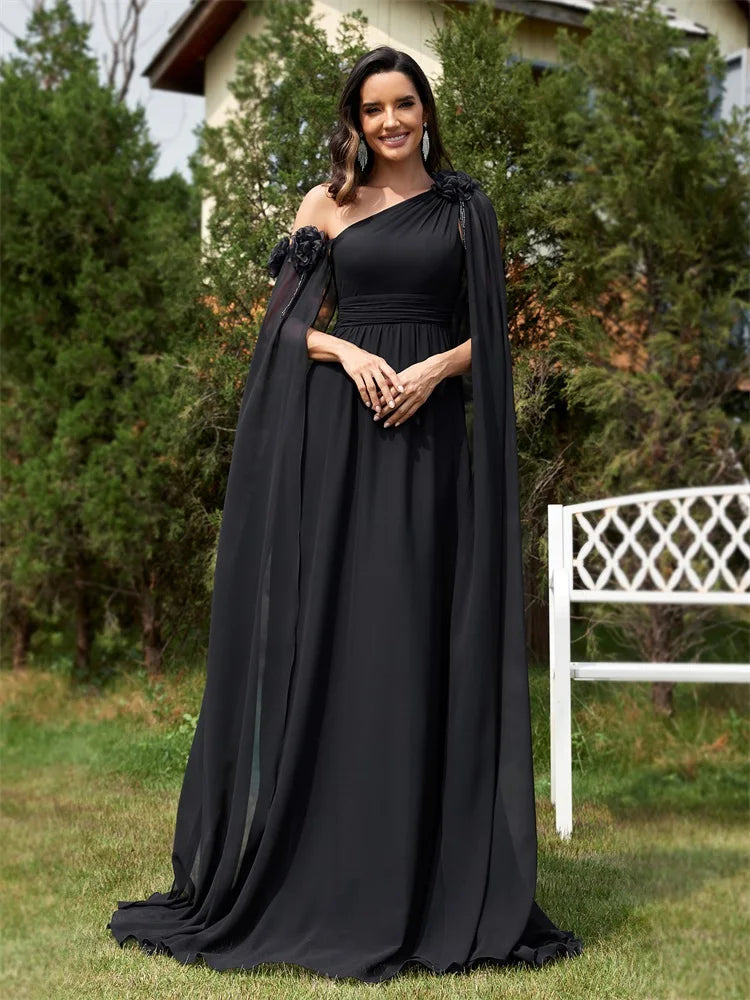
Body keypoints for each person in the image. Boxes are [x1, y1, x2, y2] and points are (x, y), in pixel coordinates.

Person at [107, 46, 584, 984]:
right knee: (339, 633)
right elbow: (280, 325)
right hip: (344, 441)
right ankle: (319, 864)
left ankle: (416, 874)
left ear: (426, 110)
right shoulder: (325, 204)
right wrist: (347, 352)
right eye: (374, 108)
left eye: (404, 104)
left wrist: (435, 367)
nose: (391, 121)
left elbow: (498, 329)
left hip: (428, 443)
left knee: (412, 637)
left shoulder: (466, 209)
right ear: (355, 120)